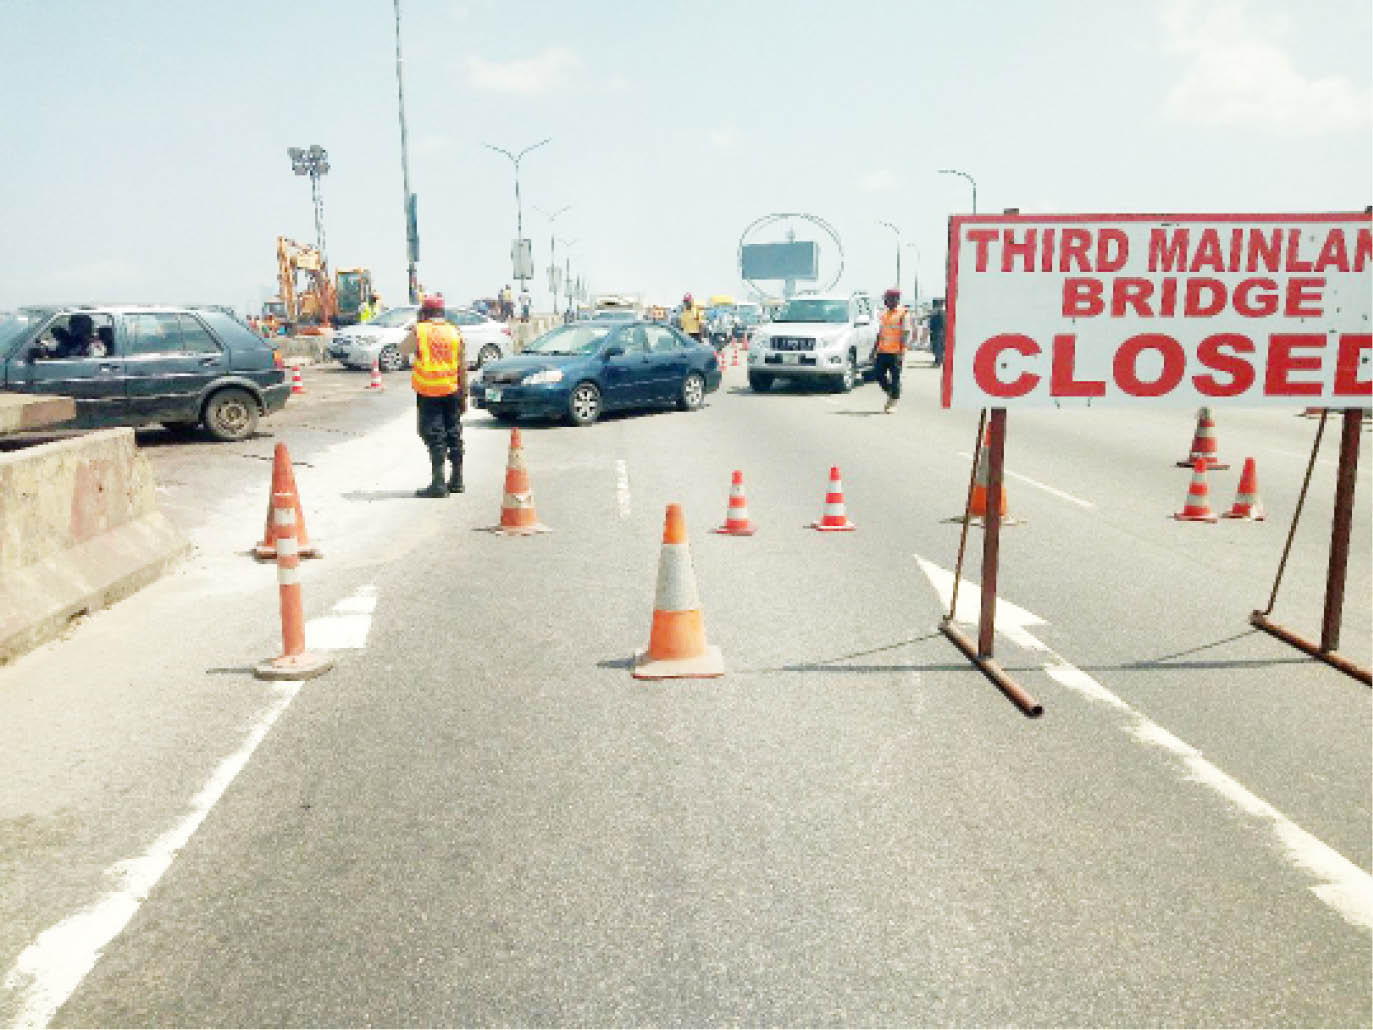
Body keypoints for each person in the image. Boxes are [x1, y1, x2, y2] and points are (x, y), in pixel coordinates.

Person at [400, 292, 466, 498]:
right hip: (452, 390)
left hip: (429, 393)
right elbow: (462, 366)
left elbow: (403, 350)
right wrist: (464, 395)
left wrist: (416, 327)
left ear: (424, 312)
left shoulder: (420, 331)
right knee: (454, 434)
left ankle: (438, 484)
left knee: (434, 435)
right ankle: (457, 480)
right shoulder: (454, 331)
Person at [873, 287, 911, 413]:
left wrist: (902, 352)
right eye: (885, 299)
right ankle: (892, 391)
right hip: (882, 351)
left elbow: (905, 333)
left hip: (896, 353)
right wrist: (874, 349)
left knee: (895, 377)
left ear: (895, 299)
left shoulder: (903, 313)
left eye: (888, 299)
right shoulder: (884, 314)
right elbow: (881, 333)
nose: (886, 301)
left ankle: (893, 402)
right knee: (878, 375)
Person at [928, 298, 946, 367]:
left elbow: (941, 323)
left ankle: (938, 362)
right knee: (938, 347)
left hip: (938, 332)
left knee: (938, 348)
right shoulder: (941, 312)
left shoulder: (938, 312)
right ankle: (938, 360)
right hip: (939, 332)